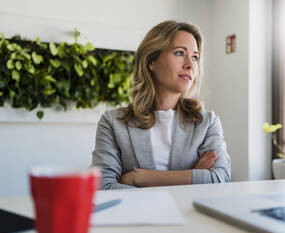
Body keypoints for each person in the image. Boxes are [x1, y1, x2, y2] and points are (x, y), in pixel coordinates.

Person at [91, 20, 231, 189]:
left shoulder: (207, 122)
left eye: (195, 57)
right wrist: (191, 175)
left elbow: (219, 178)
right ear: (152, 61)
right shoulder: (113, 122)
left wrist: (139, 177)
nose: (190, 65)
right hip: (135, 216)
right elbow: (103, 187)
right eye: (180, 53)